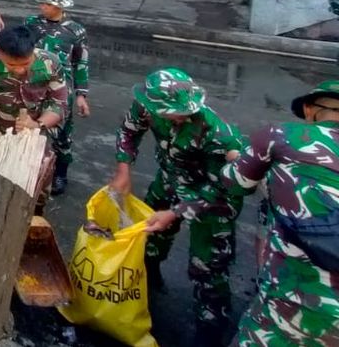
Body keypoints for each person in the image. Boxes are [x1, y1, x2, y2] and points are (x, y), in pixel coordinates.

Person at [111, 68, 246, 345]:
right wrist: (123, 170)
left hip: (211, 199)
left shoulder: (219, 136)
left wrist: (175, 213)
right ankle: (148, 282)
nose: (178, 118)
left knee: (208, 265)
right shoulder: (148, 104)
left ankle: (210, 327)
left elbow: (224, 188)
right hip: (170, 180)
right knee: (149, 239)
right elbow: (129, 131)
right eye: (171, 113)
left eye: (182, 113)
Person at [222, 81, 339, 347]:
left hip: (292, 306)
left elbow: (236, 183)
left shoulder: (281, 135)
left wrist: (234, 158)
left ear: (309, 110)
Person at [24, 0, 90, 195]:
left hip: (61, 90)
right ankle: (31, 171)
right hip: (33, 87)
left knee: (62, 135)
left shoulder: (75, 30)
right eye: (42, 3)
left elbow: (81, 63)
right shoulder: (31, 23)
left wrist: (81, 95)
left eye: (48, 4)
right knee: (31, 130)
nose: (43, 7)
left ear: (60, 6)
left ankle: (60, 174)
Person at [0, 25, 67, 141]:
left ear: (33, 50)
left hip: (38, 131)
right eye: (11, 65)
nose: (20, 70)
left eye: (26, 64)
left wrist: (37, 125)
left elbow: (59, 103)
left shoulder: (50, 63)